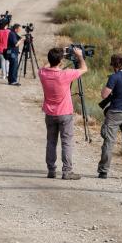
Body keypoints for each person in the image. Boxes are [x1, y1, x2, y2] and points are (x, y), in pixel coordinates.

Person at [38, 47, 88, 180]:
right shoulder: (65, 74)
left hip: (50, 113)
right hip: (64, 113)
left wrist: (58, 56)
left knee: (51, 142)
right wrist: (80, 56)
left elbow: (46, 65)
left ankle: (51, 170)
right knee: (66, 142)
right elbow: (84, 68)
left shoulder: (42, 73)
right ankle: (67, 171)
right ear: (60, 61)